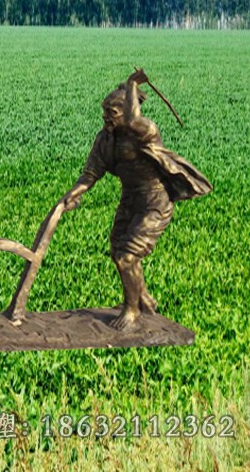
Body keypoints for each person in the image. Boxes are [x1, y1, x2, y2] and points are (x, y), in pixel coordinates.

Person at [61, 69, 212, 330]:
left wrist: (132, 84)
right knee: (117, 249)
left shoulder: (144, 131)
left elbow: (132, 120)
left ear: (127, 111)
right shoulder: (105, 139)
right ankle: (142, 297)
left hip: (154, 203)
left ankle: (131, 310)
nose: (105, 116)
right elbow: (91, 173)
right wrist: (72, 194)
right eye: (105, 110)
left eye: (112, 112)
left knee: (127, 258)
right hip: (130, 201)